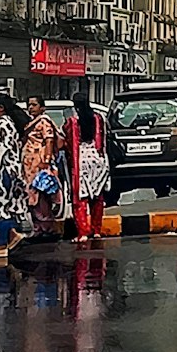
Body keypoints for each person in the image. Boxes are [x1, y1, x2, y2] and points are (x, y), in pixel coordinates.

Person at [0, 91, 30, 263]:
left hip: (5, 170)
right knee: (6, 206)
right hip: (14, 168)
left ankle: (1, 245)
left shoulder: (2, 122)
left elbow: (5, 147)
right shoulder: (10, 121)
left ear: (0, 108)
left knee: (0, 207)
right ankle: (13, 235)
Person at [62, 92, 111, 243]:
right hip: (97, 159)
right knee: (97, 197)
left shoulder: (72, 122)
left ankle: (83, 232)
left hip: (81, 159)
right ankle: (96, 230)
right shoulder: (98, 118)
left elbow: (68, 140)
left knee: (80, 198)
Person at [23, 95, 62, 237]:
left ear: (42, 108)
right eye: (29, 104)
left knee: (41, 195)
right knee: (32, 195)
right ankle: (38, 227)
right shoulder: (31, 122)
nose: (31, 107)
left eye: (34, 105)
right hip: (30, 164)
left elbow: (49, 141)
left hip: (40, 162)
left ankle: (47, 227)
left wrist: (45, 160)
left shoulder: (44, 122)